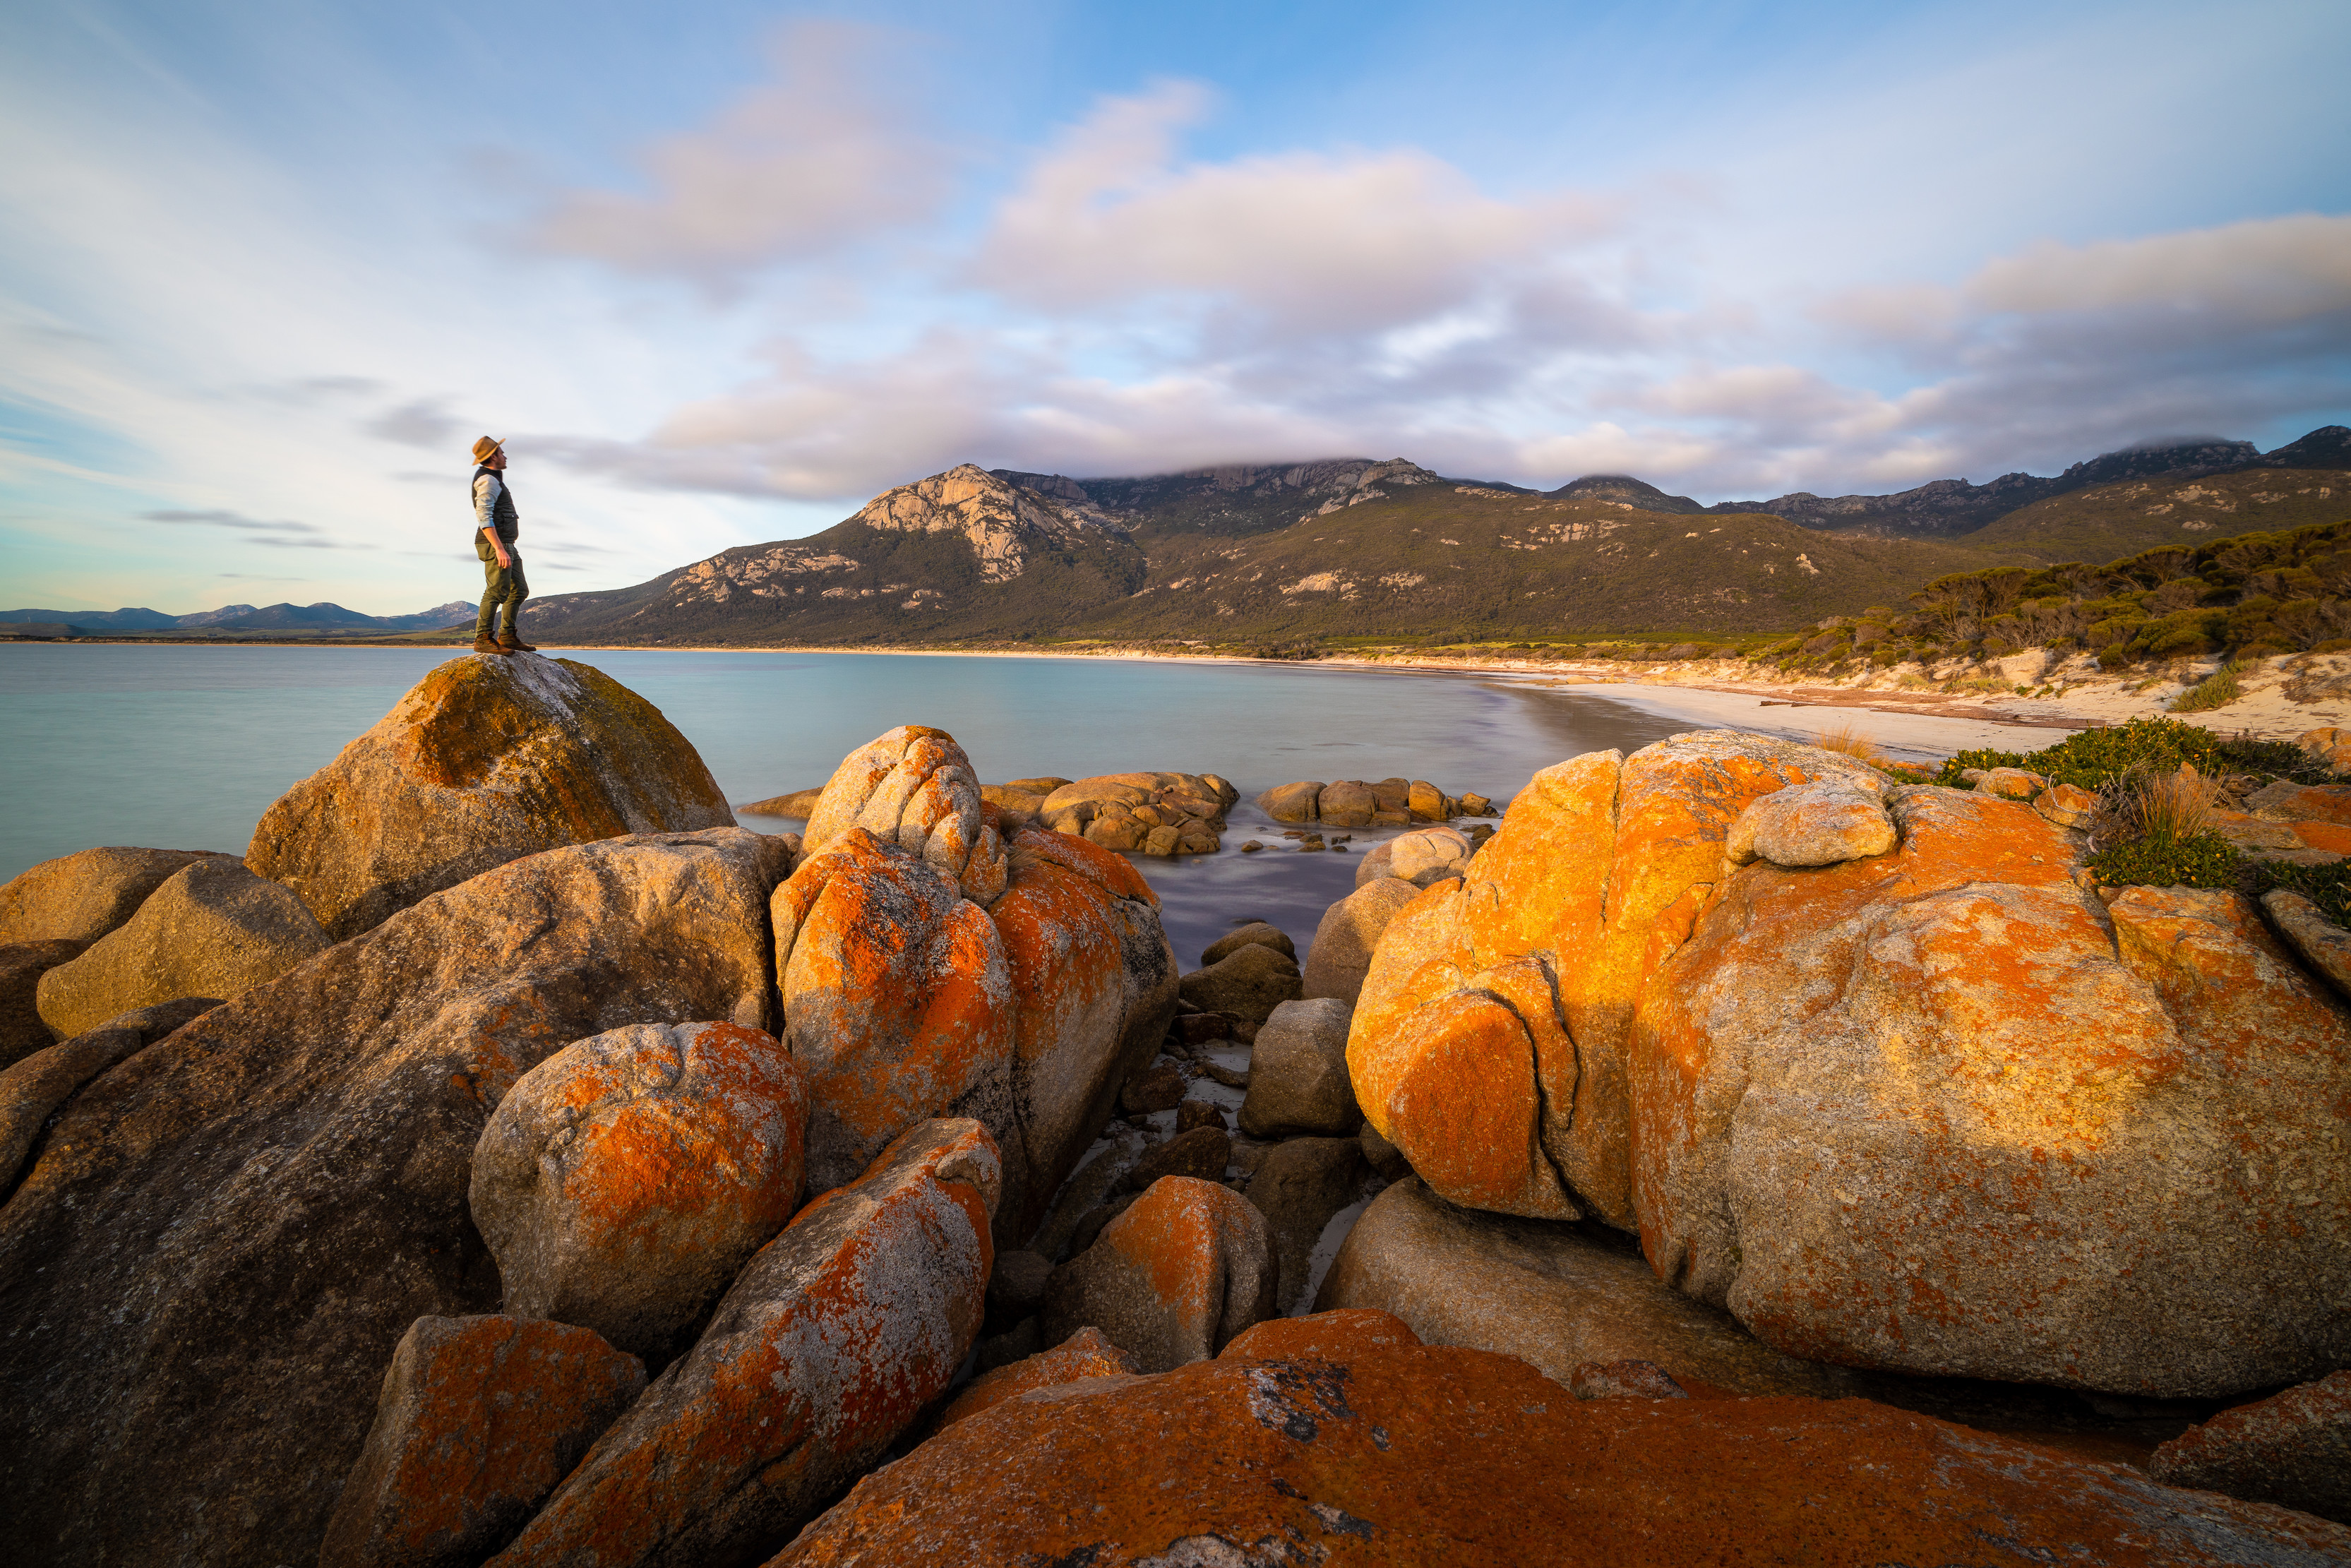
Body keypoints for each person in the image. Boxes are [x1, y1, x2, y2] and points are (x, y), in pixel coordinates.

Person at [469, 436, 533, 654]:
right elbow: (484, 516)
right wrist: (498, 548)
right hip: (496, 545)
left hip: (506, 544)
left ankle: (507, 636)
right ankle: (483, 639)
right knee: (496, 591)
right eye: (502, 452)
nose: (505, 456)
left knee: (519, 590)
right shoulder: (487, 480)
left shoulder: (494, 478)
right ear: (494, 456)